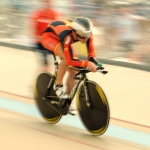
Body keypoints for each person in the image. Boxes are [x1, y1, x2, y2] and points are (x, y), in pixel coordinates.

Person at [41, 16, 101, 104]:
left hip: (62, 34)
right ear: (74, 32)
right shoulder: (68, 37)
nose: (85, 39)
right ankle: (58, 85)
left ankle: (67, 100)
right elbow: (69, 60)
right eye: (83, 35)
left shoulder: (87, 34)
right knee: (66, 58)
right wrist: (87, 64)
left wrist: (94, 62)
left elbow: (91, 53)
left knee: (73, 72)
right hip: (50, 38)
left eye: (87, 34)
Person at [30, 0, 60, 73]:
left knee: (49, 65)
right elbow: (33, 30)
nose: (46, 3)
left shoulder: (53, 14)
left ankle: (43, 80)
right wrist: (39, 38)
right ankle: (39, 82)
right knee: (45, 65)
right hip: (40, 44)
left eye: (48, 2)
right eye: (44, 2)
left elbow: (57, 30)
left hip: (50, 44)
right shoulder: (37, 14)